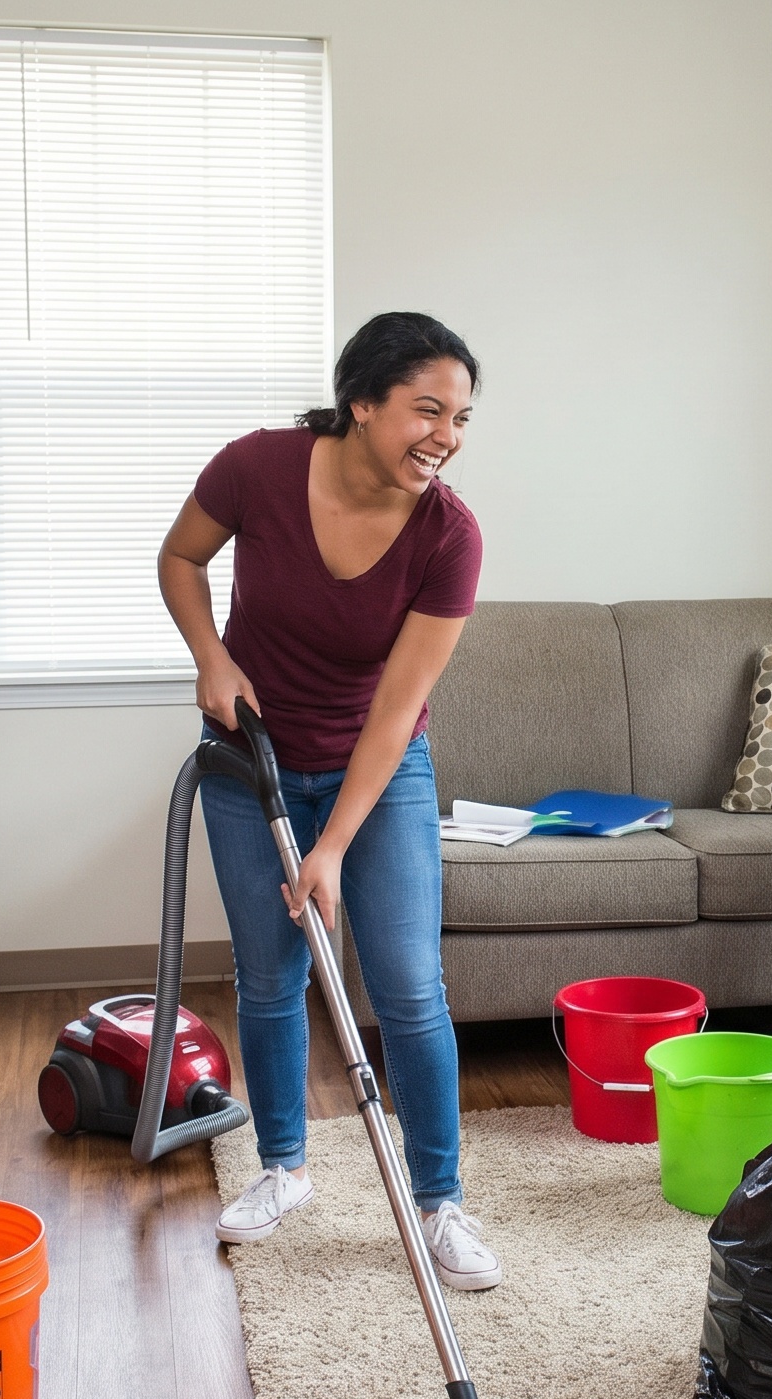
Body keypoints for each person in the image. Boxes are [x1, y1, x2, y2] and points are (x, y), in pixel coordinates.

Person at [157, 312, 499, 1287]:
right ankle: (282, 1168)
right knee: (270, 976)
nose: (445, 435)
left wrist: (335, 843)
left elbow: (397, 711)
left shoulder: (449, 536)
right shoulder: (256, 470)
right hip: (246, 759)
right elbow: (179, 558)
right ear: (361, 402)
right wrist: (211, 656)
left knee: (406, 984)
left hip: (377, 775)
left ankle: (438, 1202)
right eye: (425, 409)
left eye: (462, 417)